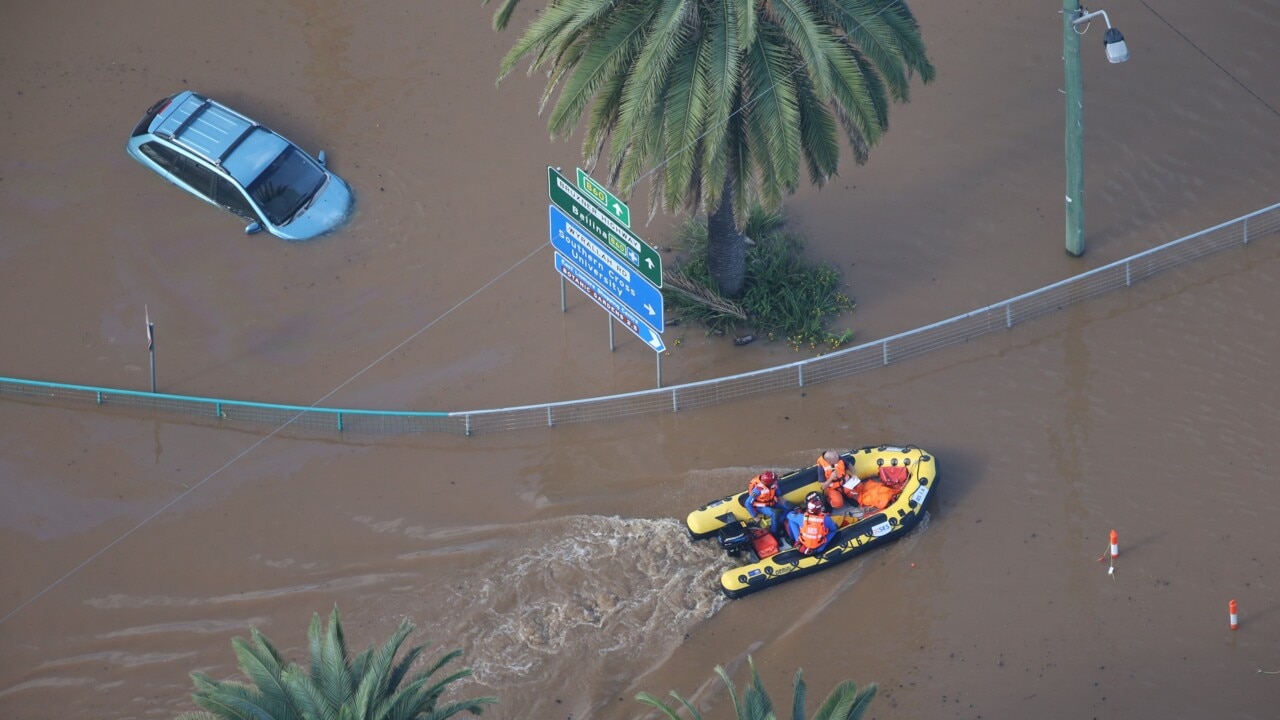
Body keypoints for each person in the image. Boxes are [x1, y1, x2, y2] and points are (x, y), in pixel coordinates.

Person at [787, 491, 839, 555]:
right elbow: (833, 529)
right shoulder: (825, 519)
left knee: (791, 520)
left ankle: (796, 540)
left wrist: (795, 512)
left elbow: (789, 515)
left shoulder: (802, 518)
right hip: (819, 547)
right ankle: (820, 548)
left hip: (804, 543)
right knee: (833, 530)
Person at [746, 470, 789, 534]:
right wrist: (755, 516)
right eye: (774, 480)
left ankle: (779, 524)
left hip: (772, 501)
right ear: (769, 483)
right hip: (761, 506)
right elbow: (748, 503)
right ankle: (774, 533)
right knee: (774, 513)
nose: (776, 481)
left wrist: (779, 497)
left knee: (788, 507)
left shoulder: (774, 483)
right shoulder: (758, 489)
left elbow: (777, 489)